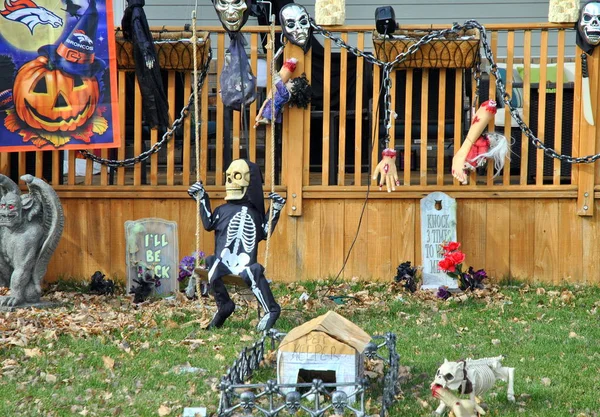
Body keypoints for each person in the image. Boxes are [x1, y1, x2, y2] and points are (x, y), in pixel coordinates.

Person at [187, 159, 286, 331]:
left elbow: (264, 232)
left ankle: (272, 309)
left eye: (237, 176)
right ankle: (224, 305)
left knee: (254, 269)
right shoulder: (222, 211)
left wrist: (275, 208)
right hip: (224, 265)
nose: (231, 182)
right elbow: (208, 223)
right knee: (211, 261)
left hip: (245, 268)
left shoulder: (255, 215)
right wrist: (201, 197)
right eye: (229, 177)